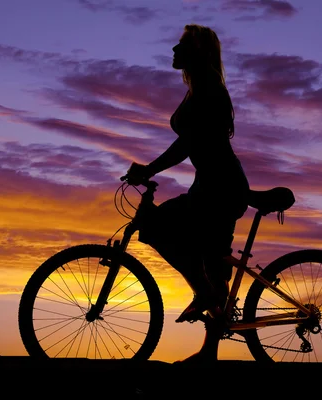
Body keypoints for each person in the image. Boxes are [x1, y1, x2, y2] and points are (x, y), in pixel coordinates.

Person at [126, 24, 250, 363]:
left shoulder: (208, 85)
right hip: (213, 185)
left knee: (154, 227)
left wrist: (149, 169)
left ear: (197, 51)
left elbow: (189, 142)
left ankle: (204, 292)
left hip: (220, 188)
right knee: (213, 263)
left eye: (182, 45)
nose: (174, 50)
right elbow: (192, 142)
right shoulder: (199, 86)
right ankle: (209, 351)